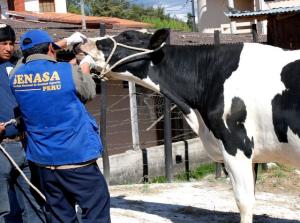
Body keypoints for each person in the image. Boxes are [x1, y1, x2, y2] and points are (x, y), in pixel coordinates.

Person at [9, 29, 111, 223]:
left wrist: (61, 45)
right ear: (50, 48)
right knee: (96, 208)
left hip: (44, 163)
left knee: (60, 215)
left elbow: (27, 63)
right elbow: (88, 93)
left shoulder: (15, 76)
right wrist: (86, 66)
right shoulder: (67, 70)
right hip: (76, 158)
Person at [0, 24, 46, 223]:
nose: (8, 48)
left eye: (11, 43)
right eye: (3, 43)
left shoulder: (21, 65)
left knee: (33, 203)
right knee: (2, 209)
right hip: (2, 148)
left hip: (26, 144)